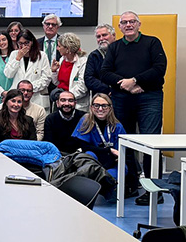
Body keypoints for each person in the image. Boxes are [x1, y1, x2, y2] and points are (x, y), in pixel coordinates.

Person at [100, 11, 167, 204]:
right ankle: (129, 184)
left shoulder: (152, 43)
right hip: (122, 98)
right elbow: (105, 72)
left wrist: (136, 81)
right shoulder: (114, 48)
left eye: (132, 22)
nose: (128, 25)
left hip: (149, 97)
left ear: (139, 24)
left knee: (150, 143)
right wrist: (123, 84)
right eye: (124, 22)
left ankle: (155, 190)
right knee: (125, 142)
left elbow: (159, 68)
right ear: (119, 27)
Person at [71, 94, 128, 186]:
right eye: (96, 105)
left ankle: (108, 188)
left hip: (112, 162)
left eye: (104, 106)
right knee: (89, 155)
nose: (100, 109)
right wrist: (109, 150)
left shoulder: (117, 126)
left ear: (110, 107)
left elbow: (121, 153)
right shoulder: (85, 121)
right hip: (94, 159)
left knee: (117, 170)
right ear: (91, 107)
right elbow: (84, 146)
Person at [4, 28, 50, 108]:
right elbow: (8, 74)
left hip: (36, 96)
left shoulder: (42, 56)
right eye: (20, 43)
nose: (24, 46)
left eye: (26, 43)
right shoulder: (14, 54)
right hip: (17, 97)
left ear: (32, 42)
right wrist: (17, 59)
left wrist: (29, 89)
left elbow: (46, 78)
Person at [50, 32, 89, 111]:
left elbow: (82, 88)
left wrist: (66, 97)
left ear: (67, 49)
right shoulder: (62, 60)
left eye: (59, 46)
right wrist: (54, 71)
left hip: (76, 103)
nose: (57, 48)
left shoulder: (83, 62)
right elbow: (57, 82)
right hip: (61, 101)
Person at [84, 23, 117, 97]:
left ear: (114, 35)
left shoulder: (122, 52)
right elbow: (89, 79)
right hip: (100, 97)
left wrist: (115, 89)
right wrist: (107, 89)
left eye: (104, 35)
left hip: (121, 96)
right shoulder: (93, 56)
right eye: (98, 37)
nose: (101, 39)